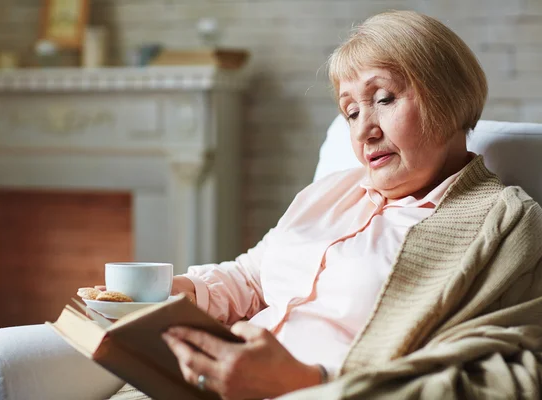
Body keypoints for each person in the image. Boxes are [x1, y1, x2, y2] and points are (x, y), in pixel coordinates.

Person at [155, 10, 542, 400]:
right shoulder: (332, 191)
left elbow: (511, 377)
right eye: (351, 112)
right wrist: (176, 293)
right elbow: (253, 276)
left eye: (384, 99)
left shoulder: (506, 222)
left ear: (450, 97)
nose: (363, 130)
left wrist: (310, 382)